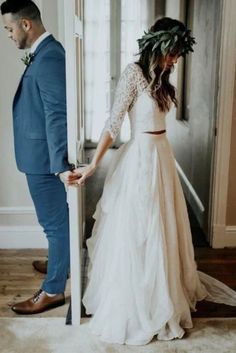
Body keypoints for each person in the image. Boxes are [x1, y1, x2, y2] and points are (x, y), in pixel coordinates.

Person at [71, 17, 236, 345]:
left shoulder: (164, 76)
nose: (174, 59)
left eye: (177, 54)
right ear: (157, 45)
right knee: (140, 230)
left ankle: (164, 292)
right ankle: (140, 298)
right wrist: (92, 166)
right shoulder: (134, 73)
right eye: (171, 52)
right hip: (141, 158)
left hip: (162, 155)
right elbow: (113, 122)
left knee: (163, 227)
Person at [1, 0, 76, 314]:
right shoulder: (45, 53)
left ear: (25, 24)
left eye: (9, 28)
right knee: (55, 224)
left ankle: (54, 290)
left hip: (45, 160)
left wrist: (59, 165)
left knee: (55, 225)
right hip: (38, 156)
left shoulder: (49, 57)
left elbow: (56, 114)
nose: (8, 35)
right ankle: (60, 261)